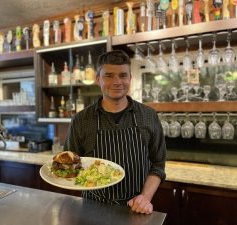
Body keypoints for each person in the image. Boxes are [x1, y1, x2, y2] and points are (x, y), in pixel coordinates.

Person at [64, 50, 166, 214]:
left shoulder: (148, 116)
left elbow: (158, 166)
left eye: (123, 75)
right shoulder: (81, 120)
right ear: (98, 80)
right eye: (109, 75)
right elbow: (69, 165)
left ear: (130, 79)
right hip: (92, 208)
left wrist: (144, 198)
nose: (117, 82)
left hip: (135, 208)